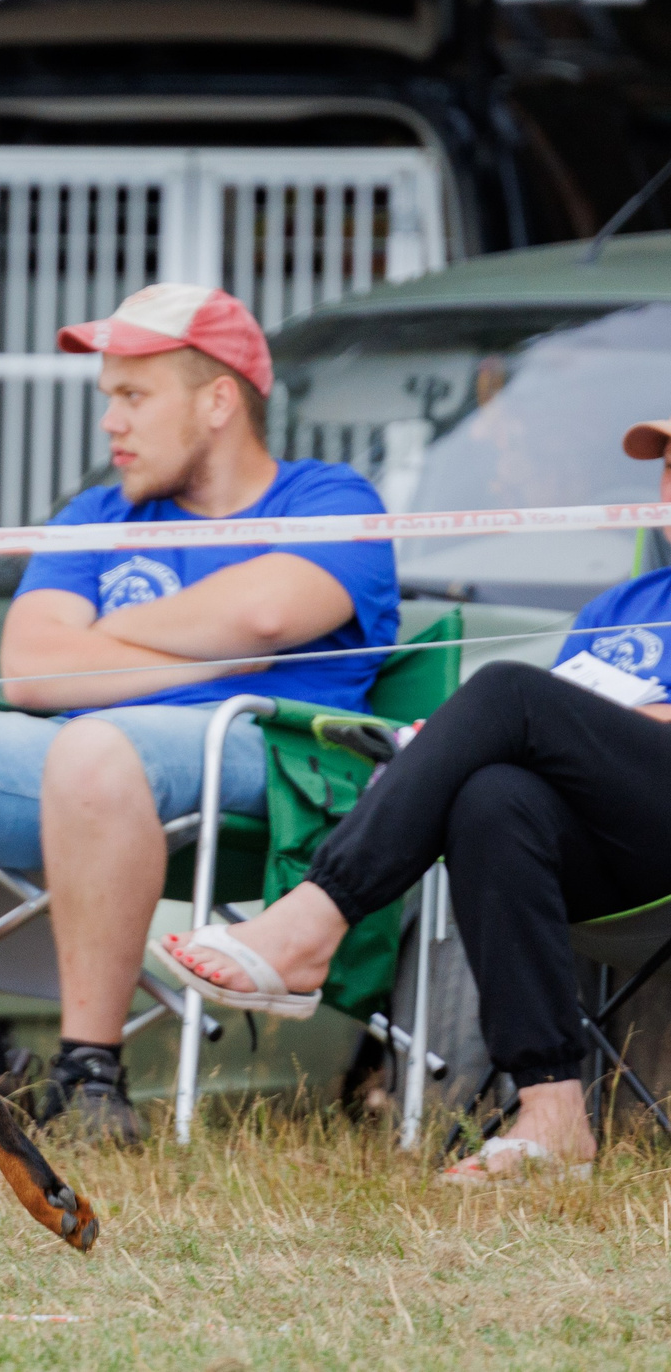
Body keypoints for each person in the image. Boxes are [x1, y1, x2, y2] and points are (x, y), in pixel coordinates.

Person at [0, 283, 399, 1143]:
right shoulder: (99, 512)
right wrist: (201, 638)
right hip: (79, 770)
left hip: (270, 762)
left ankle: (90, 1074)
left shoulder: (330, 497)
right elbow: (29, 668)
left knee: (94, 746)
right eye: (108, 399)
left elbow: (269, 617)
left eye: (134, 396)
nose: (110, 423)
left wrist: (104, 641)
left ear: (217, 400)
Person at [158, 414, 671, 1183]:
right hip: (625, 855)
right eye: (666, 464)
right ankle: (554, 1111)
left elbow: (566, 719)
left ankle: (313, 918)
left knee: (506, 696)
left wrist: (520, 723)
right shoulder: (624, 604)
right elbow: (567, 740)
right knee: (493, 797)